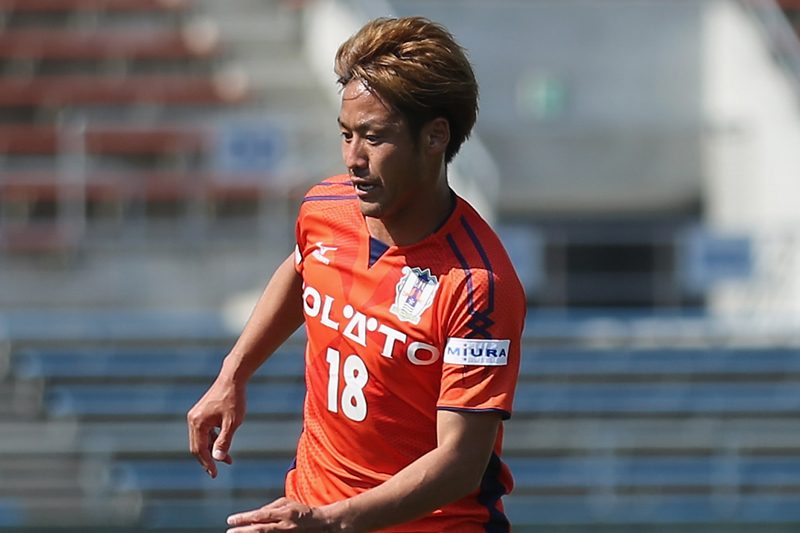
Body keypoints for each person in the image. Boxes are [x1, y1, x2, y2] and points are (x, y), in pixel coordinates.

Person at [187, 16, 526, 533]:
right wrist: (233, 373)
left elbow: (460, 461)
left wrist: (330, 521)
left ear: (436, 136)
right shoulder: (325, 209)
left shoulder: (477, 284)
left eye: (374, 137)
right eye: (346, 135)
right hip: (314, 513)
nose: (353, 158)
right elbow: (304, 268)